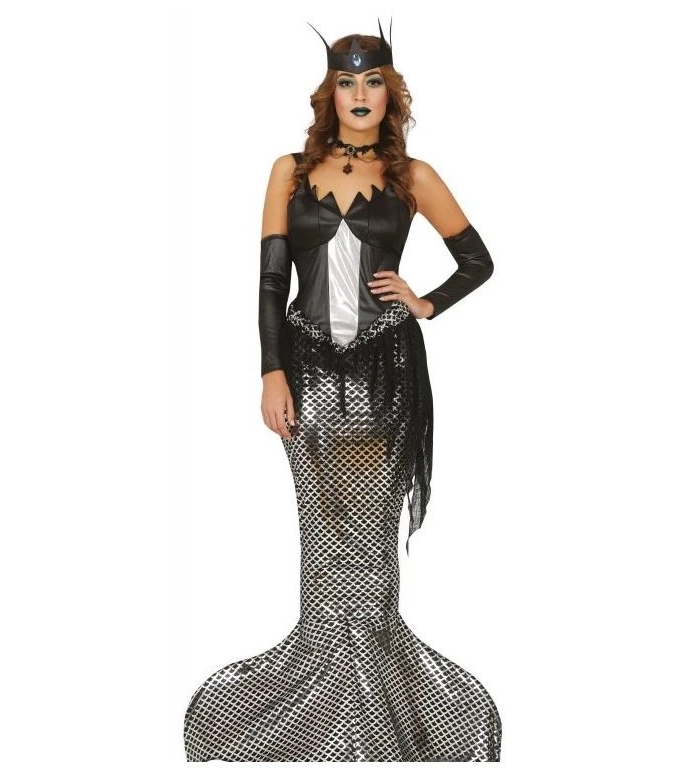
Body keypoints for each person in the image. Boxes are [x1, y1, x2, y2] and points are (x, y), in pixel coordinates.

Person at [184, 20, 501, 761]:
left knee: (373, 542)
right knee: (323, 534)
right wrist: (271, 370)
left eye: (373, 81)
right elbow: (271, 281)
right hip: (308, 370)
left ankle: (381, 715)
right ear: (330, 94)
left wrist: (425, 302)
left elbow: (478, 260)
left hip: (387, 370)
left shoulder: (414, 177)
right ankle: (321, 706)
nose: (360, 93)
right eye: (347, 82)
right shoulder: (289, 171)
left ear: (391, 93)